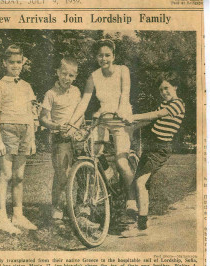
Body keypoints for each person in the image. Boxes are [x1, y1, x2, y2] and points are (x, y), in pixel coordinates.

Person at [67, 39, 135, 211]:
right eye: (100, 55)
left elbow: (125, 94)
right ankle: (107, 180)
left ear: (113, 56)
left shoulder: (122, 71)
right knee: (92, 155)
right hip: (103, 118)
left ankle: (132, 201)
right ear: (96, 57)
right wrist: (71, 123)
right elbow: (84, 102)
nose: (103, 58)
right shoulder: (94, 76)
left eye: (107, 55)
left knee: (121, 162)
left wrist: (120, 111)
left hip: (121, 119)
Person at [122, 73, 185, 236]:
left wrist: (133, 116)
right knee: (140, 183)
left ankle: (141, 226)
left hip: (161, 148)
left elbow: (156, 115)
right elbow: (149, 121)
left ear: (175, 87)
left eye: (167, 88)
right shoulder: (164, 104)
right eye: (161, 89)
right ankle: (141, 222)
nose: (164, 92)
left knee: (141, 183)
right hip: (151, 147)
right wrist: (131, 127)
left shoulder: (178, 104)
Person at [0, 44, 37, 234]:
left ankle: (18, 215)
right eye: (12, 62)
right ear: (4, 63)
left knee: (19, 176)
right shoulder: (0, 85)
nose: (16, 66)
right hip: (7, 132)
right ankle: (1, 217)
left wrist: (32, 138)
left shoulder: (26, 86)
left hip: (25, 131)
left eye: (19, 62)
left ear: (23, 63)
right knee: (6, 174)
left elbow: (31, 113)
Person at [39, 56, 81, 221]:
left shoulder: (77, 91)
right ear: (57, 73)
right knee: (61, 174)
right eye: (64, 74)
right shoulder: (51, 94)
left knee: (79, 173)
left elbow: (81, 113)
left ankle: (79, 207)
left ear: (75, 76)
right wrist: (56, 126)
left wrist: (76, 127)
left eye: (71, 75)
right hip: (60, 138)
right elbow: (42, 118)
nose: (67, 78)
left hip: (76, 137)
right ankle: (57, 207)